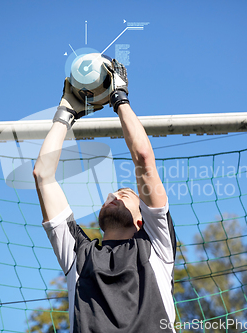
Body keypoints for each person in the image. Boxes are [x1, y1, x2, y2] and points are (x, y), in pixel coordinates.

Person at [33, 59, 176, 332]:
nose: (114, 193)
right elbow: (42, 175)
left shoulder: (156, 245)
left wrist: (119, 98)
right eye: (115, 192)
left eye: (126, 193)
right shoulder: (78, 254)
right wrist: (65, 111)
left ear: (141, 220)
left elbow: (144, 160)